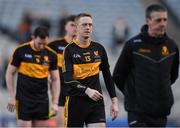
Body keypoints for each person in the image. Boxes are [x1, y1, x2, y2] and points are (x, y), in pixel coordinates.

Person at [113, 4, 179, 127]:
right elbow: (118, 76)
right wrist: (134, 96)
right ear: (148, 21)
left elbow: (173, 76)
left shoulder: (172, 46)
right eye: (158, 20)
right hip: (137, 112)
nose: (163, 23)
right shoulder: (133, 45)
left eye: (165, 20)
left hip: (161, 112)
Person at [62, 13, 119, 127]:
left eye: (90, 25)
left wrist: (114, 102)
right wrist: (87, 90)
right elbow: (68, 79)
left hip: (96, 101)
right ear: (77, 27)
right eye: (84, 25)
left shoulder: (99, 49)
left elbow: (108, 77)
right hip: (75, 102)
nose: (88, 27)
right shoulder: (69, 50)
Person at [5, 26, 60, 127]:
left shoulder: (52, 55)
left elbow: (55, 79)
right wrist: (11, 96)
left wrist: (55, 102)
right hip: (23, 100)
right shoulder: (21, 50)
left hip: (42, 100)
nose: (42, 46)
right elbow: (9, 73)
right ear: (33, 37)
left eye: (45, 43)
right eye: (39, 43)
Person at [48, 14, 77, 127]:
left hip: (76, 90)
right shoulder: (54, 45)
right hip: (59, 89)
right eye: (72, 25)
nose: (74, 28)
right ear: (66, 26)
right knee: (59, 124)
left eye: (77, 25)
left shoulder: (84, 47)